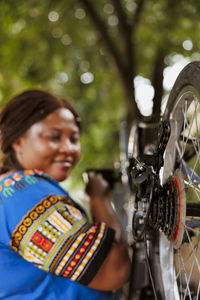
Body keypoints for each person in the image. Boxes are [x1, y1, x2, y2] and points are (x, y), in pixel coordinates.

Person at [0, 89, 130, 300]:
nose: (68, 148)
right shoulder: (25, 192)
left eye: (74, 139)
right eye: (54, 137)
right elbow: (112, 271)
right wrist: (99, 200)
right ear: (18, 141)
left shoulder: (10, 190)